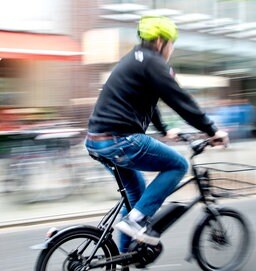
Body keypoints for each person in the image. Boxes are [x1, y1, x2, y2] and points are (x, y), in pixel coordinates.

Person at [85, 16, 229, 253]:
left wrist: (164, 130)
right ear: (161, 41)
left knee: (136, 193)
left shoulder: (134, 59)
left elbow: (147, 102)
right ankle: (136, 222)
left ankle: (125, 254)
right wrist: (212, 130)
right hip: (121, 140)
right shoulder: (153, 62)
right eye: (172, 43)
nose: (171, 49)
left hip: (96, 141)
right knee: (178, 165)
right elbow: (180, 100)